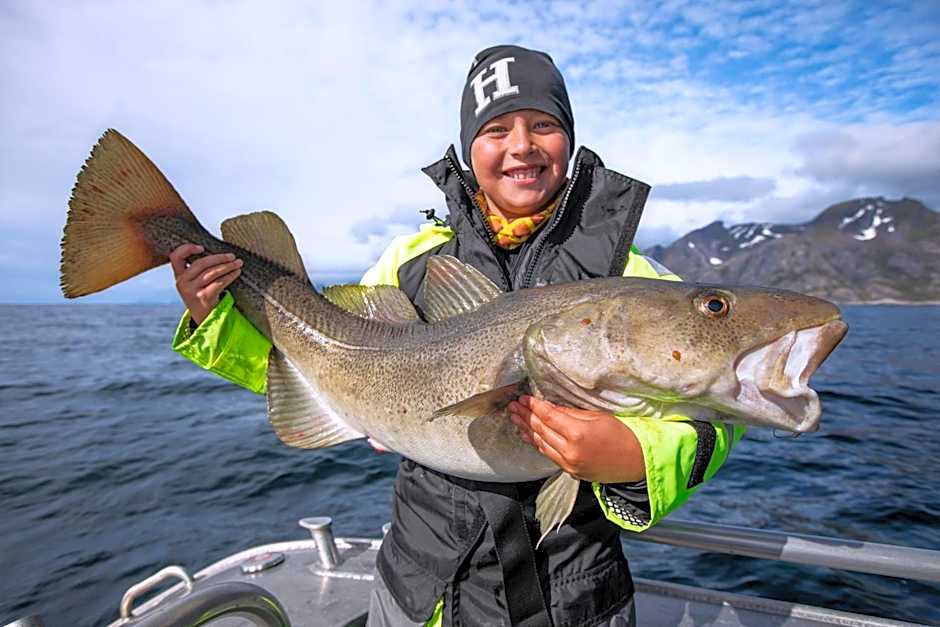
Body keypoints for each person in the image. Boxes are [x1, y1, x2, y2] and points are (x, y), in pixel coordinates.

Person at [169, 45, 744, 627]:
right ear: (469, 149)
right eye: (496, 129)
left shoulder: (632, 277)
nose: (522, 144)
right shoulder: (410, 261)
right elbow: (316, 366)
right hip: (418, 590)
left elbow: (720, 414)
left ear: (569, 142)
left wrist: (635, 456)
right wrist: (215, 315)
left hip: (572, 599)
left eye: (544, 124)